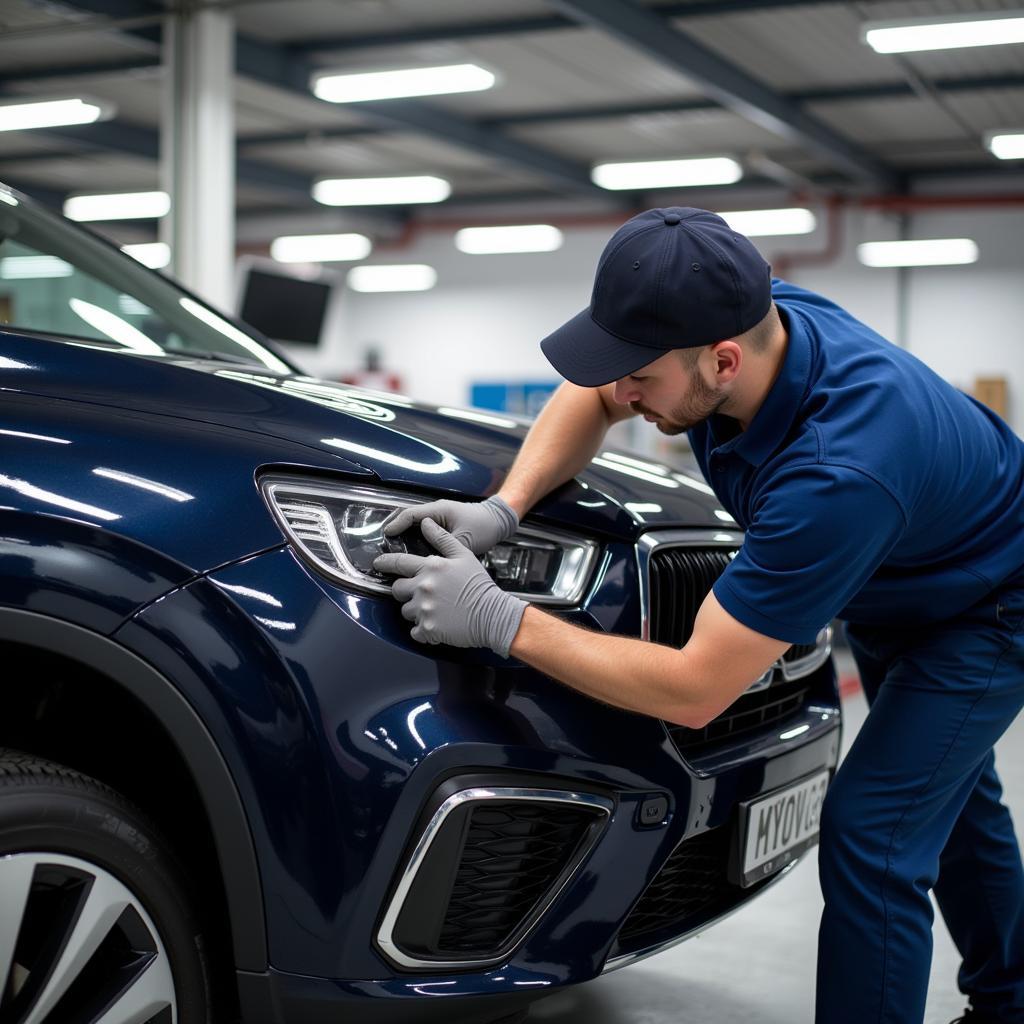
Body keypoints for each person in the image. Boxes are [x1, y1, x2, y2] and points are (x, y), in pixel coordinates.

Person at [373, 207, 1024, 1024]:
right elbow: (596, 392)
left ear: (721, 362)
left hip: (990, 606)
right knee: (959, 805)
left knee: (875, 834)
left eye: (641, 377)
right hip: (906, 576)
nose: (625, 393)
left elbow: (694, 688)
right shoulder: (742, 319)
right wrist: (507, 507)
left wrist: (501, 619)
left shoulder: (837, 474)